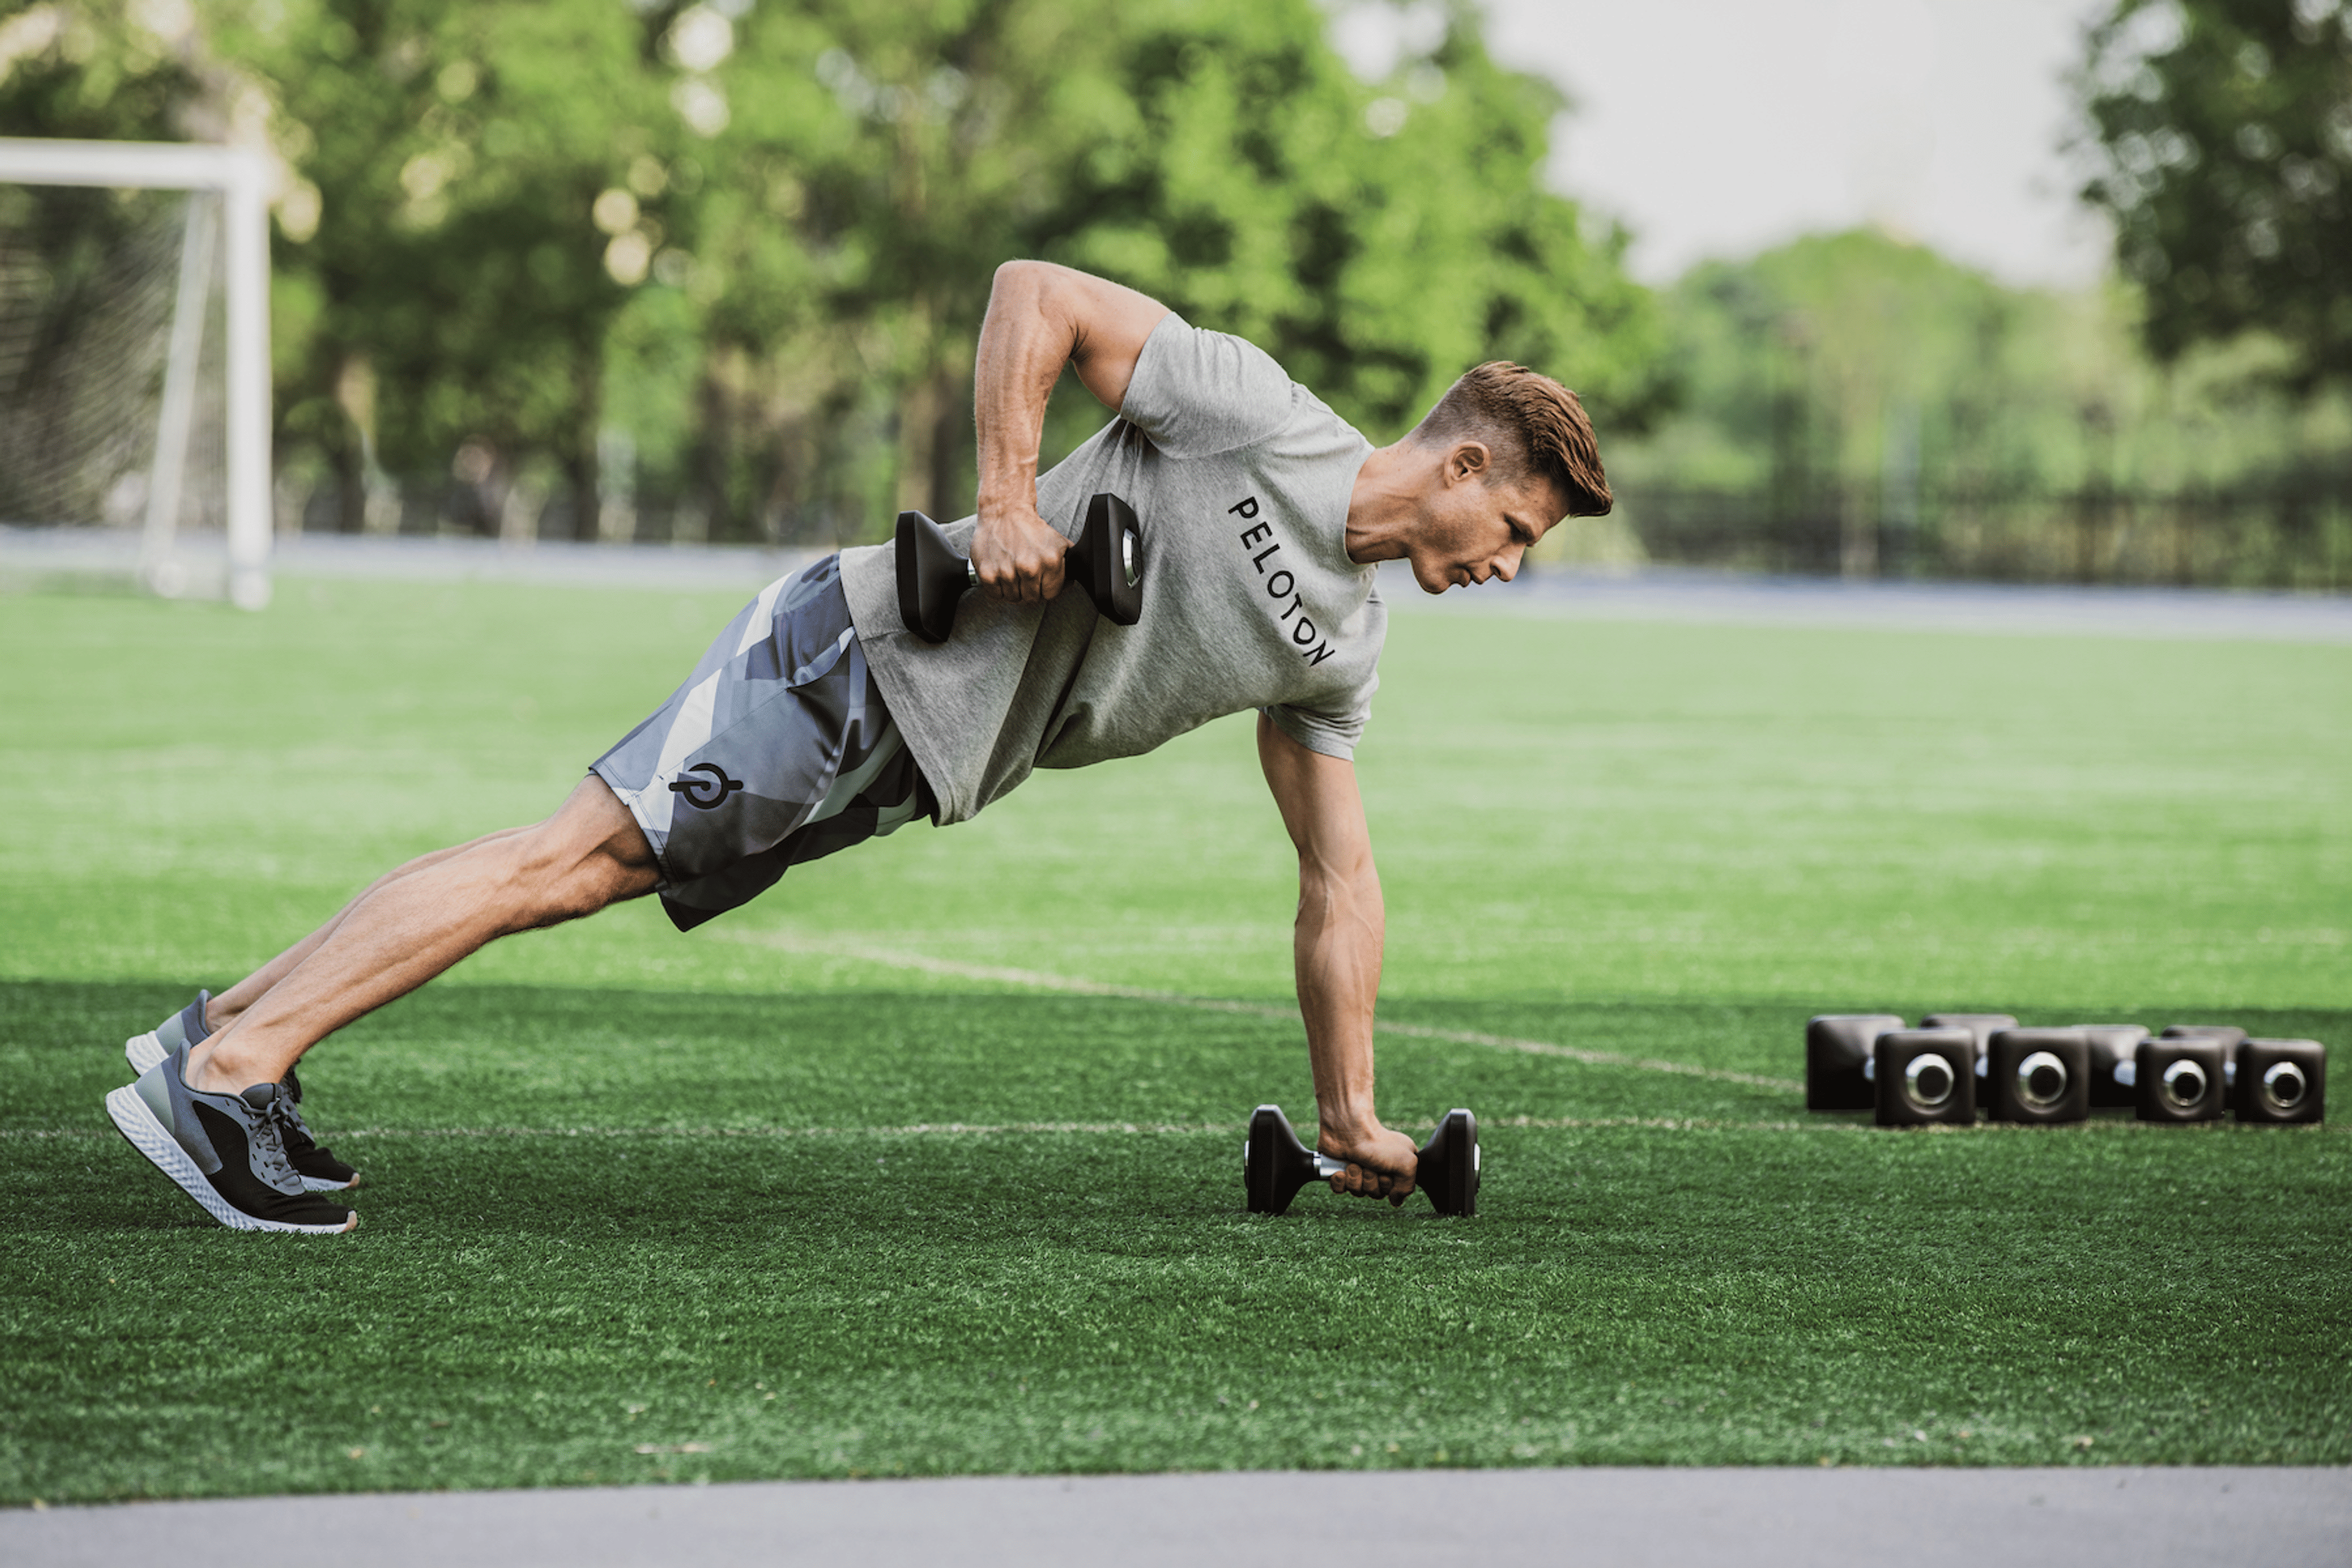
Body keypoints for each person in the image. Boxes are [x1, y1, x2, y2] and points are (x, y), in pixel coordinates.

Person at [106, 260, 1613, 1234]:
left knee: (572, 858)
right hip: (859, 648)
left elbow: (1339, 879)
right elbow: (1037, 296)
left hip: (908, 760)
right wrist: (1010, 495)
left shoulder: (1343, 642)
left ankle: (216, 1031)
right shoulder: (1261, 421)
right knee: (568, 863)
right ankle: (237, 1072)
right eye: (1518, 529)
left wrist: (1349, 1104)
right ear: (1466, 461)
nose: (1509, 562)